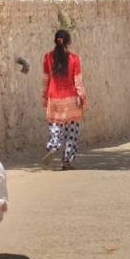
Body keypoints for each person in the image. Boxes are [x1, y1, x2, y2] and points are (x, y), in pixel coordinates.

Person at [40, 29, 88, 170]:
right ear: (68, 42)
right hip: (71, 99)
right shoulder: (74, 58)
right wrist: (83, 97)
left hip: (54, 98)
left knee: (55, 126)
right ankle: (67, 160)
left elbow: (45, 79)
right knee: (72, 131)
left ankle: (53, 145)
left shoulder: (47, 57)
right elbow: (78, 81)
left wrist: (44, 97)